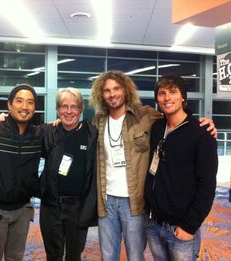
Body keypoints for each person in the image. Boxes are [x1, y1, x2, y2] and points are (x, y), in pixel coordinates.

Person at [89, 70, 216, 261]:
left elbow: (176, 116)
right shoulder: (98, 121)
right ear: (101, 94)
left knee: (135, 255)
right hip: (108, 202)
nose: (112, 94)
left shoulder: (145, 116)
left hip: (135, 203)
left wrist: (204, 123)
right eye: (107, 90)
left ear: (126, 90)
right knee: (107, 255)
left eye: (116, 88)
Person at [144, 75, 218, 260]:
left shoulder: (201, 134)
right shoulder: (157, 128)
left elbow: (207, 186)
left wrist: (189, 226)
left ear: (183, 97)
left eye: (173, 92)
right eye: (162, 93)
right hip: (154, 224)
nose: (167, 98)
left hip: (181, 228)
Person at [0, 84, 42, 261]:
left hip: (23, 209)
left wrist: (60, 122)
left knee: (15, 257)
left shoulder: (39, 134)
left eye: (30, 102)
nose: (25, 107)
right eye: (19, 101)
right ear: (9, 105)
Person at [39, 87, 97, 261]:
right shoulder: (48, 132)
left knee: (74, 256)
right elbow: (21, 134)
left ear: (80, 109)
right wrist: (2, 118)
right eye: (64, 106)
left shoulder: (92, 134)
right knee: (53, 255)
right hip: (51, 206)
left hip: (78, 208)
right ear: (57, 109)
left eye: (74, 106)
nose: (69, 111)